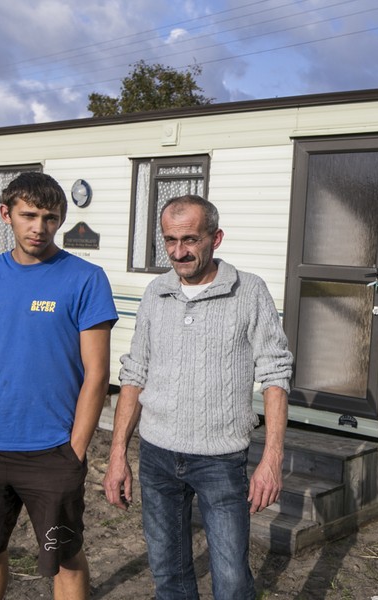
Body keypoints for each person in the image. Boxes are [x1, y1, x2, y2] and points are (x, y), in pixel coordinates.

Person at [103, 194, 292, 599]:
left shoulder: (249, 291)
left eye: (190, 239)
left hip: (221, 460)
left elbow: (275, 374)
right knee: (168, 577)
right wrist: (118, 452)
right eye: (169, 240)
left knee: (232, 582)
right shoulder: (156, 292)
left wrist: (272, 458)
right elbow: (135, 372)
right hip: (156, 456)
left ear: (216, 238)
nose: (178, 251)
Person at [0, 172, 118, 600]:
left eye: (50, 217)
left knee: (65, 558)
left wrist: (75, 449)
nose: (39, 226)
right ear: (6, 214)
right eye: (29, 215)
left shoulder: (85, 278)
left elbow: (97, 373)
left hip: (51, 451)